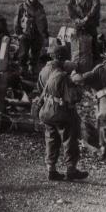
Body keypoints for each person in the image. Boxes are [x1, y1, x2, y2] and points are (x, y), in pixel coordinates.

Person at [37, 46, 89, 181]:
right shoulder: (63, 75)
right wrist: (77, 85)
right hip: (61, 111)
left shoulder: (44, 71)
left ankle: (51, 169)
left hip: (46, 110)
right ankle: (71, 169)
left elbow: (39, 88)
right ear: (61, 58)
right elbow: (73, 97)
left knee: (51, 139)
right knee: (69, 138)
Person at [66, 0, 101, 71]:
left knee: (93, 40)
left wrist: (87, 17)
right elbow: (69, 7)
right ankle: (78, 62)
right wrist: (76, 19)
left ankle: (96, 62)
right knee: (78, 42)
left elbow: (96, 5)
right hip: (78, 22)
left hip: (90, 22)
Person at [14, 0, 49, 76]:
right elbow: (17, 21)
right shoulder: (22, 7)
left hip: (37, 34)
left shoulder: (40, 7)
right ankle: (22, 69)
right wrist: (19, 34)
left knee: (35, 53)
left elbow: (44, 20)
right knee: (23, 53)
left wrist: (44, 33)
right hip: (25, 34)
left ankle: (32, 68)